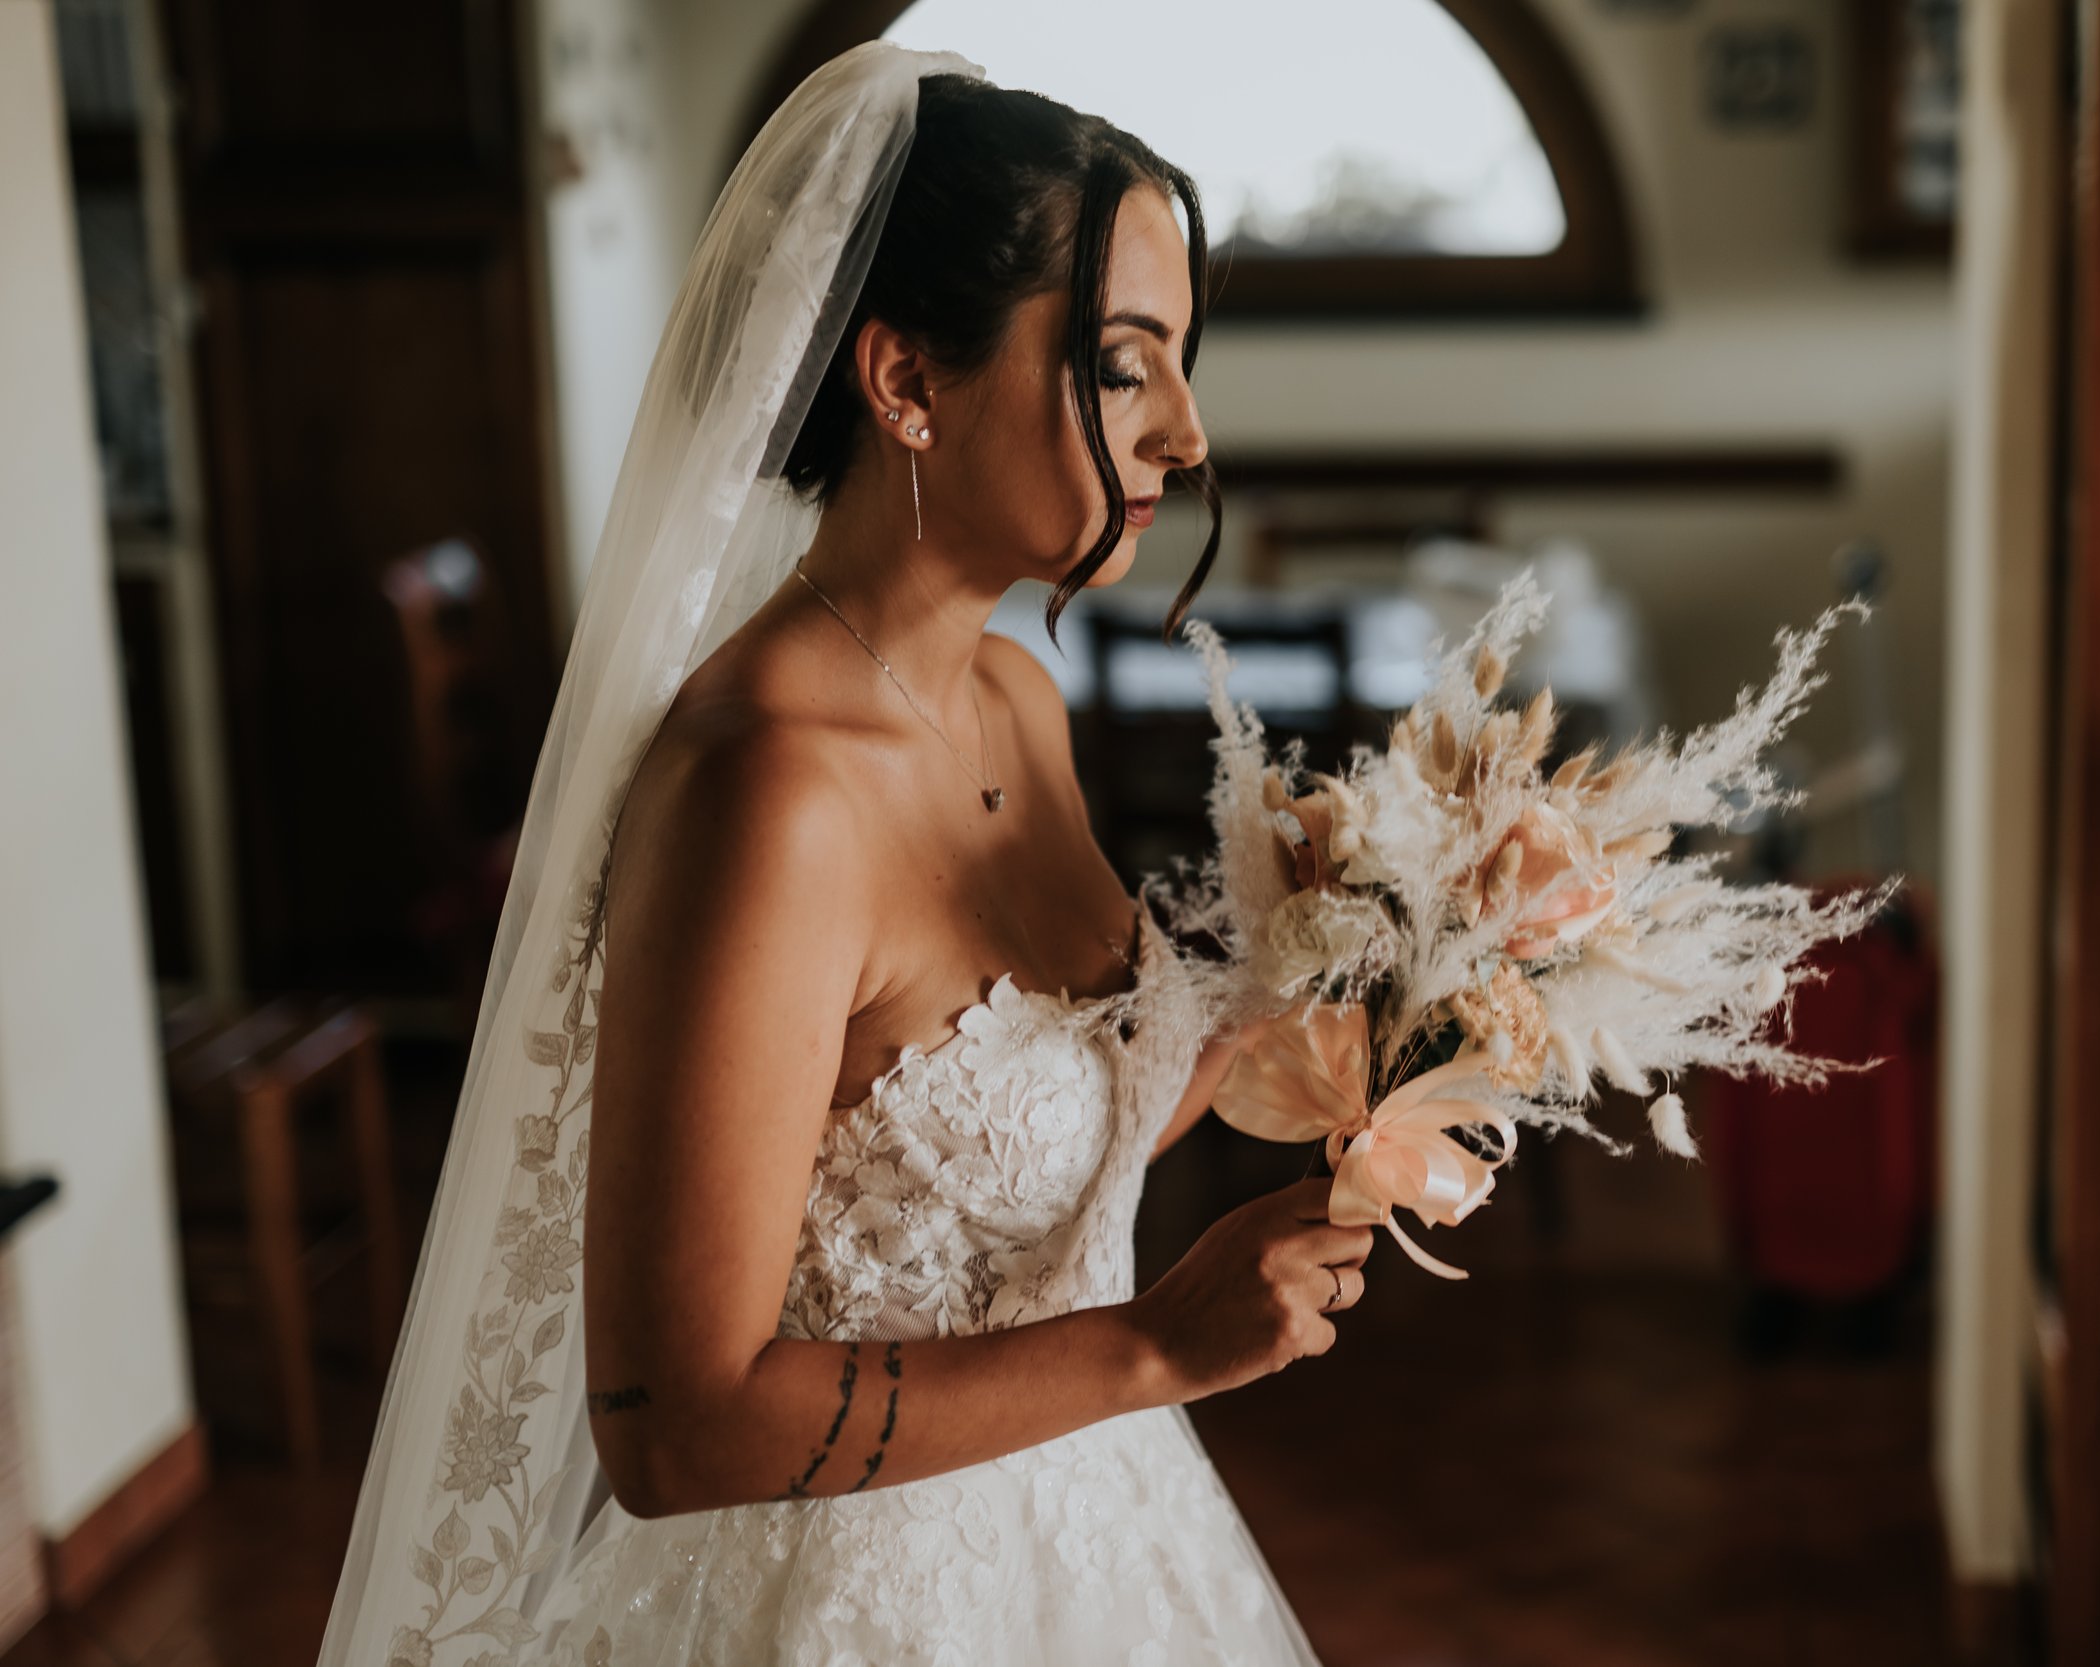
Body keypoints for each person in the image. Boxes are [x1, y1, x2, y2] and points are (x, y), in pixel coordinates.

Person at [321, 42, 1363, 1667]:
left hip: (1095, 1536)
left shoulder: (1017, 700)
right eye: (1120, 366)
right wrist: (1153, 1349)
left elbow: (1011, 1158)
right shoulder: (769, 797)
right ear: (905, 383)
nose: (1187, 437)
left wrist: (1354, 979)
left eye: (1179, 367)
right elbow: (671, 1428)